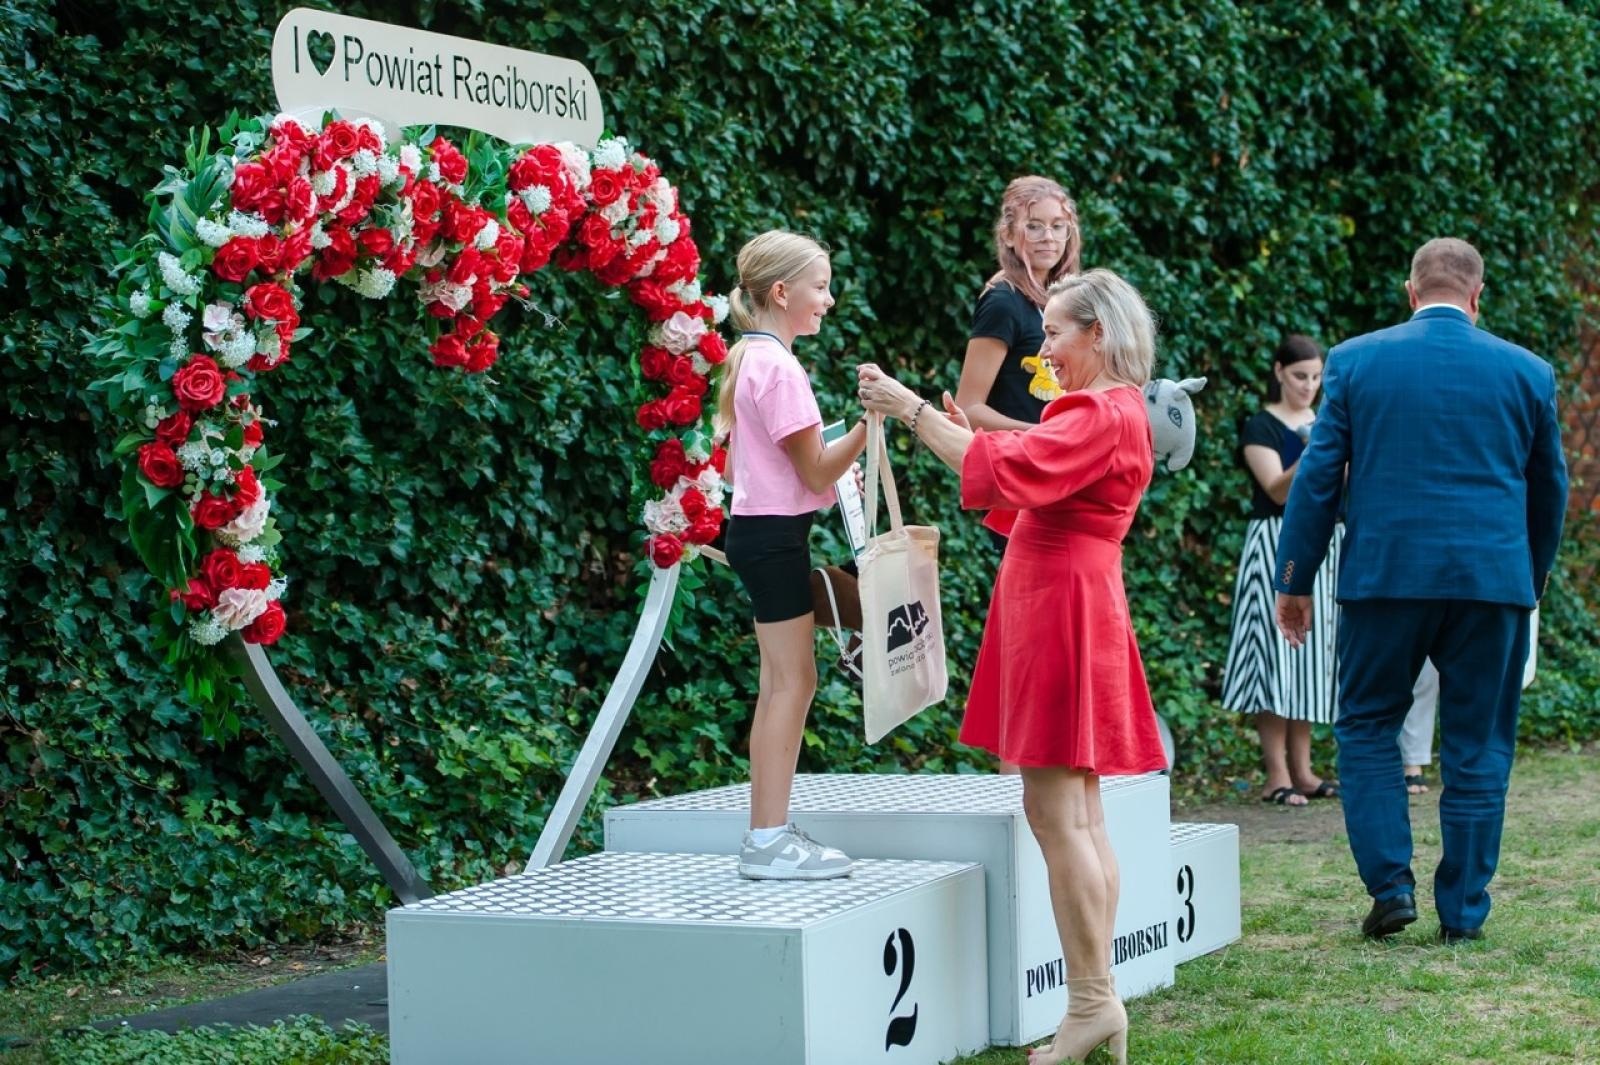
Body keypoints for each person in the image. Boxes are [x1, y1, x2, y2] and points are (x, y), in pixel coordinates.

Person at [858, 269, 1168, 1065]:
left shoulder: (1100, 408)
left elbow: (1006, 471)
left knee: (1060, 816)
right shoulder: (1112, 409)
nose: (1047, 351)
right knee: (1079, 814)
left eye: (1058, 333)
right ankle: (1098, 1000)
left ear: (1098, 332)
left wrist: (913, 409)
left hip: (1061, 602)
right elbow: (1027, 472)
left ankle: (1093, 1001)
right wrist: (972, 435)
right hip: (1070, 597)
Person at [1275, 238, 1568, 944]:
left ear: (1412, 291)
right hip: (1493, 582)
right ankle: (1463, 911)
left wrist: (1296, 579)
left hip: (1386, 575)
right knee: (1478, 742)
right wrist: (1532, 573)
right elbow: (1550, 486)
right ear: (1478, 296)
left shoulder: (1356, 361)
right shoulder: (1528, 372)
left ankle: (1391, 885)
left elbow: (1317, 480)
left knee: (1369, 723)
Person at [714, 230, 869, 880]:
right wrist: (872, 423)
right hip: (774, 535)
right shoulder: (779, 367)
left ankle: (768, 832)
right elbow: (812, 473)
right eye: (821, 286)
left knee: (784, 682)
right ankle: (767, 839)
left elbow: (781, 466)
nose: (828, 300)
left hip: (762, 532)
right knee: (790, 683)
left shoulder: (749, 357)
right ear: (782, 292)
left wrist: (837, 462)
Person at [1219, 336, 1342, 806]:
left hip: (1324, 546)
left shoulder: (1327, 423)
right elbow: (1276, 489)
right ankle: (1276, 774)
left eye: (1315, 377)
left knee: (1309, 663)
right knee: (1275, 658)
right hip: (1274, 545)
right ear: (1278, 372)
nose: (1308, 386)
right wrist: (1315, 451)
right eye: (1299, 376)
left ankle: (1305, 771)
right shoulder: (1262, 426)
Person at [954, 176, 1082, 553]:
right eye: (1034, 225)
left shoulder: (1063, 298)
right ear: (1009, 235)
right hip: (1021, 477)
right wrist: (1040, 436)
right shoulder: (1003, 300)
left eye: (1058, 226)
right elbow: (969, 408)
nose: (1048, 237)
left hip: (1058, 471)